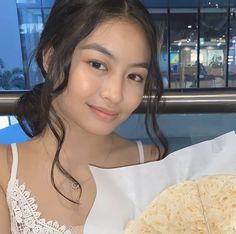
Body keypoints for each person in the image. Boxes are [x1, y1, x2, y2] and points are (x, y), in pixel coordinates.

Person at [0, 0, 168, 233]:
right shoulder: (5, 170)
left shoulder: (158, 164)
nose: (115, 94)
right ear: (50, 59)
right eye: (97, 64)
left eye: (135, 76)